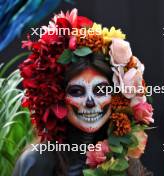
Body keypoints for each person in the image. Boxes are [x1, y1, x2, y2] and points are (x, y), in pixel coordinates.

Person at [13, 9, 154, 176]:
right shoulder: (36, 162)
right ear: (57, 98)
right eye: (77, 91)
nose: (90, 102)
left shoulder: (124, 161)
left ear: (117, 97)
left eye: (100, 90)